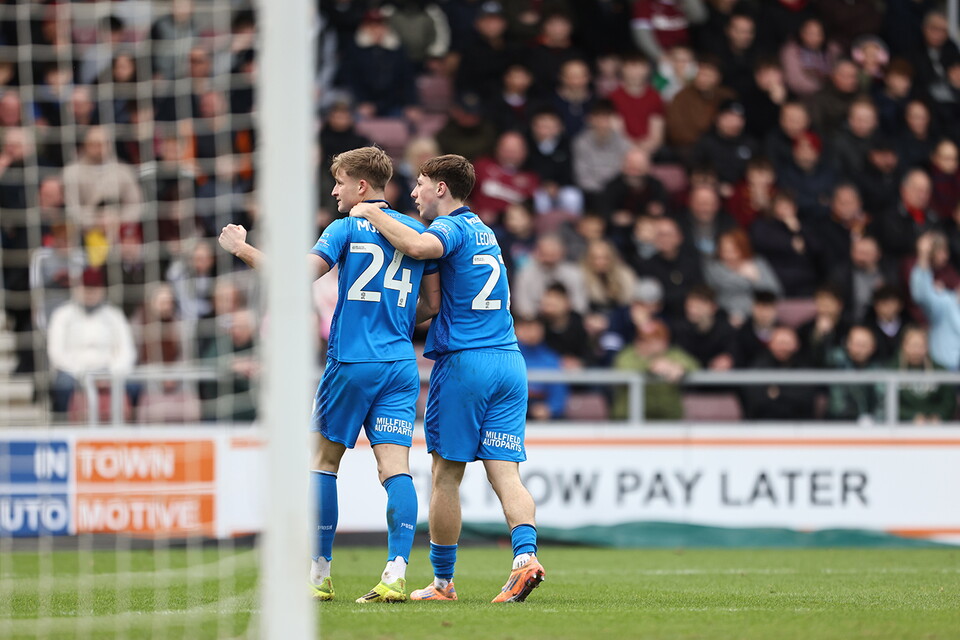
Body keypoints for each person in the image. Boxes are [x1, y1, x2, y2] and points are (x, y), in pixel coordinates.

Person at [219, 146, 441, 603]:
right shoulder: (417, 230)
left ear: (362, 186)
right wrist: (393, 320)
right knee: (395, 469)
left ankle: (319, 576)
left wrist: (242, 248)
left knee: (323, 463)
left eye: (339, 181)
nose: (334, 190)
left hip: (351, 362)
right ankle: (396, 574)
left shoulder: (343, 228)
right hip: (400, 366)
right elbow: (433, 306)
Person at [351, 154, 546, 603]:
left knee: (445, 475)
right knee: (506, 474)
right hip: (509, 360)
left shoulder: (451, 227)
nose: (414, 193)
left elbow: (420, 249)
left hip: (466, 364)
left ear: (441, 188)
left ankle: (442, 583)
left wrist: (371, 211)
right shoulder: (485, 230)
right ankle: (525, 558)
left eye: (419, 184)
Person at [909, 232, 960, 370]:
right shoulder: (944, 301)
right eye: (941, 251)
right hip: (946, 370)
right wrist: (924, 256)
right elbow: (921, 294)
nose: (944, 256)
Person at [895, 325, 957, 423]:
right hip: (900, 429)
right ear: (904, 345)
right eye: (912, 345)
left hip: (935, 428)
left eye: (920, 346)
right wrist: (911, 417)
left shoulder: (939, 370)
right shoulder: (892, 369)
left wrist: (939, 416)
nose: (916, 350)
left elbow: (949, 401)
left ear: (927, 347)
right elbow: (887, 403)